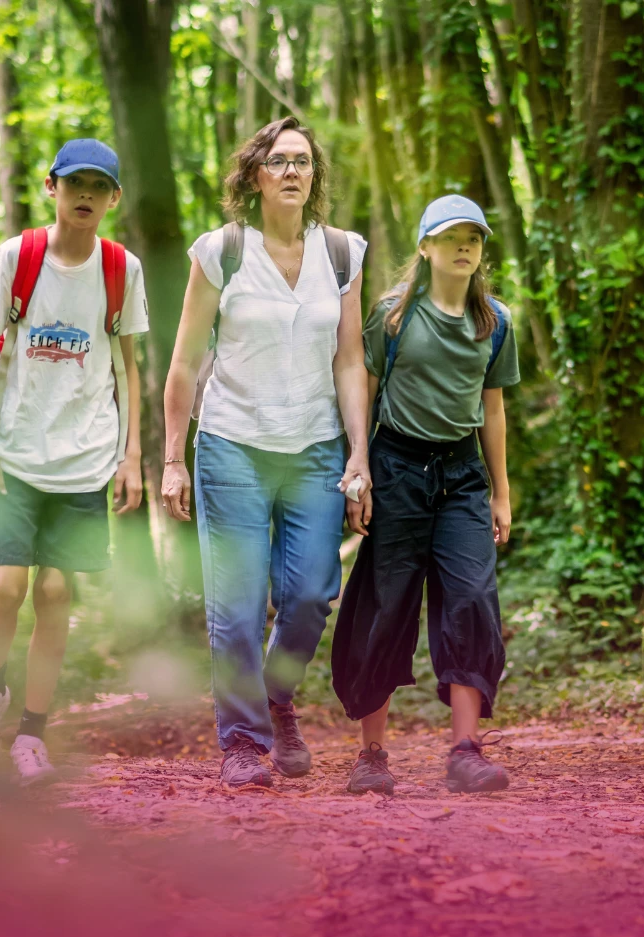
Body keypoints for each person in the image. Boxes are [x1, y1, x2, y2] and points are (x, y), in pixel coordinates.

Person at [161, 116, 370, 790]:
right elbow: (186, 363)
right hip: (231, 448)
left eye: (302, 162)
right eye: (277, 161)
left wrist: (359, 454)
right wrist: (171, 457)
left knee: (309, 595)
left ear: (315, 176)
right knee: (238, 605)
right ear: (254, 175)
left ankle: (277, 695)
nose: (291, 172)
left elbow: (349, 360)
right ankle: (245, 743)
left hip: (313, 449)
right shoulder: (221, 252)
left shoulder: (341, 253)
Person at [0, 138, 147, 783]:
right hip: (16, 453)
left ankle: (31, 734)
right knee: (6, 587)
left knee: (59, 591)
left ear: (114, 197)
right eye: (75, 184)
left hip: (86, 458)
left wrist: (133, 456)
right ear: (52, 188)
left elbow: (128, 366)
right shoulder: (16, 257)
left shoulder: (122, 268)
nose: (86, 195)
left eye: (99, 186)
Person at [332, 195, 519, 795]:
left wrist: (500, 492)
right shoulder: (392, 316)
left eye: (475, 237)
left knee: (471, 599)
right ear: (425, 247)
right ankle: (372, 756)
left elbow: (492, 408)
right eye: (452, 236)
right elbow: (362, 386)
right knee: (386, 605)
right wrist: (358, 466)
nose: (465, 246)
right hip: (397, 467)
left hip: (462, 475)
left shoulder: (495, 321)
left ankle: (465, 750)